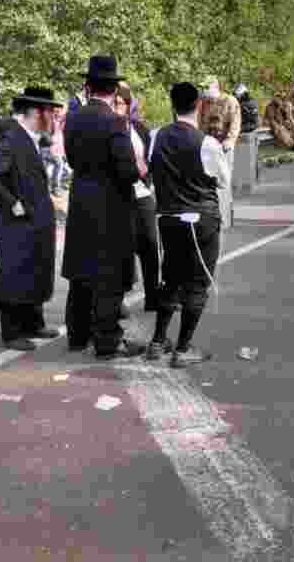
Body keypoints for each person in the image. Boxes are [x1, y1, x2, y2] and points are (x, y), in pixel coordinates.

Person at [62, 56, 146, 359]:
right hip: (111, 204)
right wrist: (140, 169)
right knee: (108, 275)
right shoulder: (115, 122)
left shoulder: (73, 118)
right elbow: (127, 171)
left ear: (88, 86)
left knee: (81, 273)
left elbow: (72, 159)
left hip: (81, 200)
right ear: (114, 89)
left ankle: (77, 335)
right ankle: (107, 340)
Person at [145, 82, 230, 366]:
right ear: (199, 105)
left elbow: (149, 168)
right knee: (197, 284)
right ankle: (182, 349)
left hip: (168, 217)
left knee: (170, 277)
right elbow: (222, 180)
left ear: (172, 105)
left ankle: (158, 341)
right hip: (200, 218)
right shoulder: (207, 143)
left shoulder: (156, 135)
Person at [0, 87, 62, 351]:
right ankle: (12, 332)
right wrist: (11, 202)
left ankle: (33, 323)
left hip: (35, 219)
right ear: (37, 112)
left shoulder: (29, 137)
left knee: (34, 270)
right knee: (15, 274)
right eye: (50, 112)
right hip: (19, 221)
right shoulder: (13, 137)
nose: (53, 118)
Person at [114, 82, 161, 314]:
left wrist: (147, 178)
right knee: (121, 249)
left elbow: (151, 159)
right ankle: (118, 299)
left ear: (128, 105)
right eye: (114, 103)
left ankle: (153, 295)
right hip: (119, 195)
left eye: (121, 103)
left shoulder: (140, 129)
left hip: (142, 193)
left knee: (150, 245)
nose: (117, 107)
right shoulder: (107, 130)